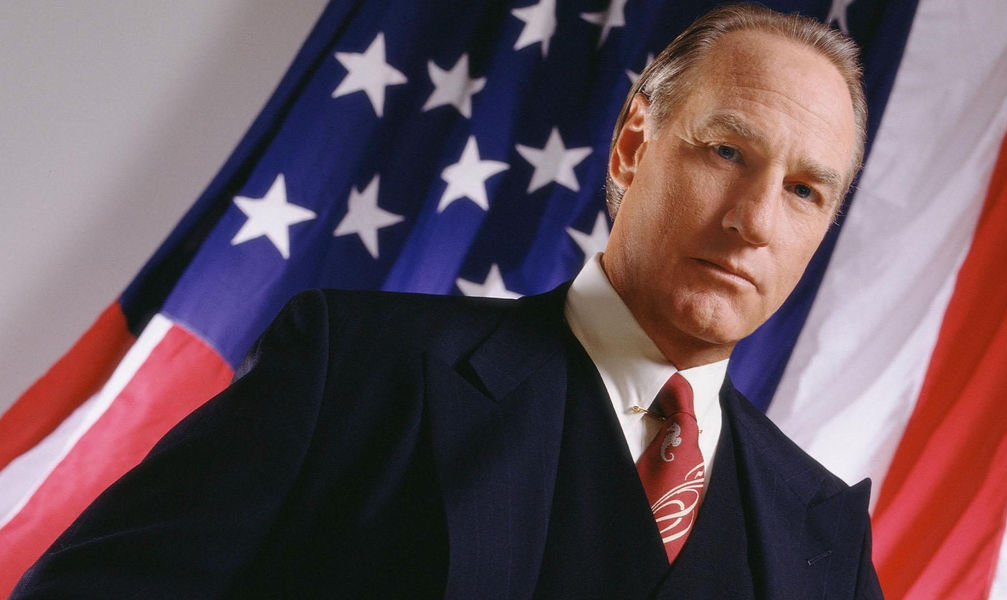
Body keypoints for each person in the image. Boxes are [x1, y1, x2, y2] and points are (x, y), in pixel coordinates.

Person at [13, 4, 882, 598]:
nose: (753, 220)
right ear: (630, 145)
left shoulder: (823, 535)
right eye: (726, 152)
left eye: (804, 190)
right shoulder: (351, 368)